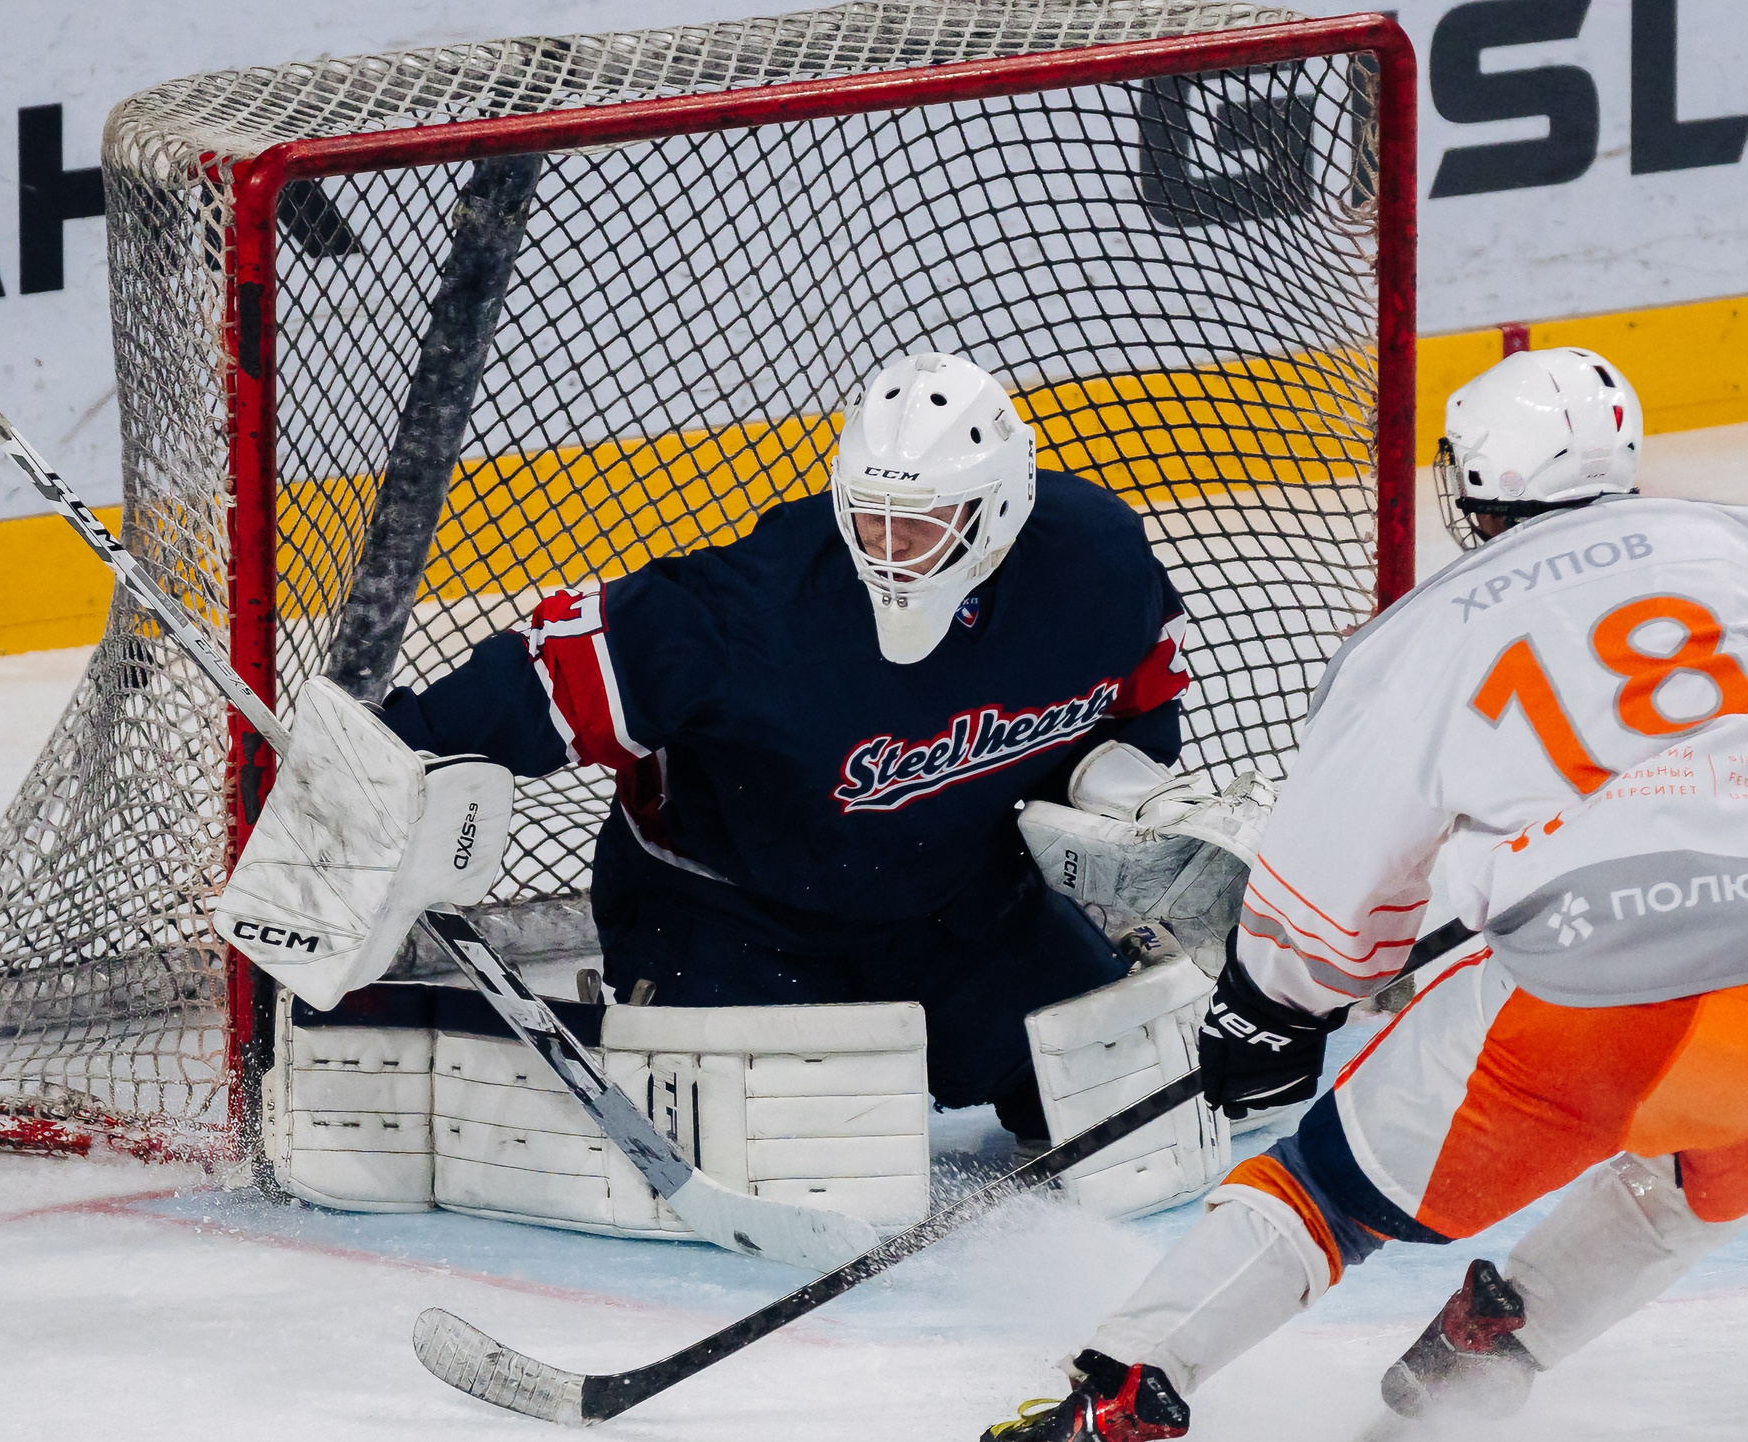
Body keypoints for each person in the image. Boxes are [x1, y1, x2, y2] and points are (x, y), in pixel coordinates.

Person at [975, 346, 1748, 1442]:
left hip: (1585, 983)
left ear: (1471, 488)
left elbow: (1326, 913)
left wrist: (1271, 1007)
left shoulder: (1419, 635)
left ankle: (1118, 1389)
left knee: (1326, 1190)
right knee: (1704, 1161)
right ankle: (1492, 1346)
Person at [361, 350, 1204, 1150]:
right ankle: (664, 1004)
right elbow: (542, 677)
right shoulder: (761, 600)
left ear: (1002, 506)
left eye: (919, 524)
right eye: (870, 517)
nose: (887, 547)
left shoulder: (1092, 561)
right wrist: (389, 765)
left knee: (1126, 1101)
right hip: (732, 911)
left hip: (951, 902)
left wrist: (1125, 816)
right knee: (809, 1152)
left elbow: (1141, 696)